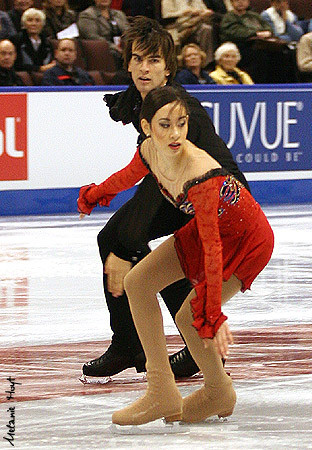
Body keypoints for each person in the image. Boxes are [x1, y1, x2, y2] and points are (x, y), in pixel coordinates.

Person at [77, 85, 274, 425]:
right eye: (165, 124)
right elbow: (125, 177)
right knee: (138, 282)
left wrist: (211, 312)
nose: (175, 133)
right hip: (211, 231)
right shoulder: (150, 150)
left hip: (246, 239)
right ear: (146, 127)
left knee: (189, 314)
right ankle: (162, 391)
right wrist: (94, 195)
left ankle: (217, 390)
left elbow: (213, 248)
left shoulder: (199, 172)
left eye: (181, 123)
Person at [81, 16, 250, 381]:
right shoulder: (145, 99)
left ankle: (139, 345)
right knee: (133, 246)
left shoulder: (177, 107)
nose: (145, 68)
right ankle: (143, 344)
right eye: (138, 59)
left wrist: (123, 230)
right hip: (181, 190)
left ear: (168, 68)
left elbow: (168, 173)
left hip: (220, 198)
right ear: (127, 63)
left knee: (121, 240)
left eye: (154, 60)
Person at [77, 0, 129, 70]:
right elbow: (92, 37)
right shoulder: (87, 15)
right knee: (116, 54)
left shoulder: (119, 14)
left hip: (121, 48)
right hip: (102, 49)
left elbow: (128, 32)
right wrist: (114, 47)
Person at [161, 0, 215, 67]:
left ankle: (206, 63)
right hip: (178, 27)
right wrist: (184, 13)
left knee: (207, 28)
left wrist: (205, 13)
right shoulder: (169, 1)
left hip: (197, 23)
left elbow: (205, 10)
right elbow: (166, 17)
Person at [12, 8, 55, 72]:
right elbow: (17, 65)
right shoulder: (17, 40)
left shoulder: (47, 42)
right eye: (30, 20)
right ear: (24, 24)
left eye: (37, 20)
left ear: (42, 24)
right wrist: (40, 68)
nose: (34, 24)